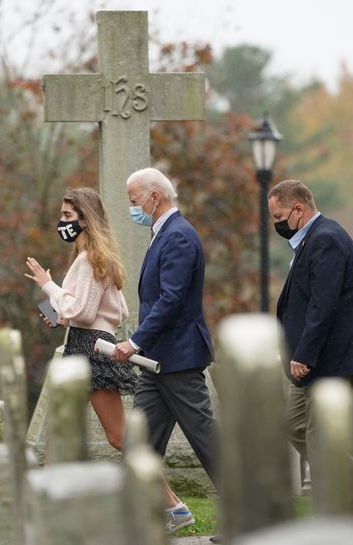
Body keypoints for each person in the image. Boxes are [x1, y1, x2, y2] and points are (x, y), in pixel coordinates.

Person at [24, 187, 190, 533]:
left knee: (119, 437)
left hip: (90, 350)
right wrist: (59, 311)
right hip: (89, 344)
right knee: (59, 429)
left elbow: (81, 311)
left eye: (68, 217)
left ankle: (173, 506)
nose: (62, 223)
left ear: (85, 220)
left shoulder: (88, 261)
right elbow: (112, 310)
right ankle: (50, 511)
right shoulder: (95, 258)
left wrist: (48, 286)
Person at [267, 179, 353, 520]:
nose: (277, 223)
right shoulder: (312, 240)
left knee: (319, 435)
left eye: (280, 215)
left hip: (328, 358)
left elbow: (323, 305)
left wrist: (304, 354)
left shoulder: (327, 240)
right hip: (313, 358)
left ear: (299, 209)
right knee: (294, 425)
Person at [111, 167, 218, 535]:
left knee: (207, 442)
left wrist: (135, 341)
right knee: (138, 445)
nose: (132, 207)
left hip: (178, 361)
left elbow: (171, 300)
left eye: (133, 199)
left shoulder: (179, 238)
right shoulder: (165, 235)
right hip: (157, 365)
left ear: (154, 197)